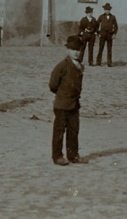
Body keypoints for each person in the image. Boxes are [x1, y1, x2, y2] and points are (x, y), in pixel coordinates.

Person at [49, 35, 85, 165]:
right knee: (59, 131)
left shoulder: (80, 66)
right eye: (73, 49)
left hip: (74, 104)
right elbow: (53, 85)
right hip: (62, 105)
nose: (76, 52)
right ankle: (57, 156)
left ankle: (73, 155)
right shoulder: (62, 66)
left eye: (78, 49)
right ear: (68, 50)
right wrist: (62, 94)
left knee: (73, 131)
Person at [95, 3, 118, 67]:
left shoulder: (113, 17)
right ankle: (98, 62)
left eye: (108, 10)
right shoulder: (101, 16)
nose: (107, 11)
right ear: (104, 10)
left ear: (110, 10)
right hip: (102, 34)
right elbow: (96, 25)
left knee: (109, 49)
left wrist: (114, 34)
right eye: (106, 9)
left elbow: (116, 26)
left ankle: (109, 62)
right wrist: (98, 33)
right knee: (100, 48)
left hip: (109, 35)